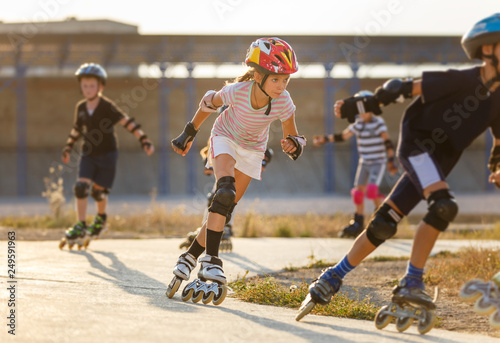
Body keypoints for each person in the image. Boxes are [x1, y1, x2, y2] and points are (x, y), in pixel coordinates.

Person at [297, 13, 500, 333]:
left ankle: (332, 276)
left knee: (384, 222)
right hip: (419, 146)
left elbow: (499, 143)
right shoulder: (464, 80)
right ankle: (412, 281)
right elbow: (400, 88)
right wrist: (359, 106)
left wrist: (497, 166)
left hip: (440, 162)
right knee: (444, 206)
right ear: (487, 49)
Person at [166, 37, 305, 305]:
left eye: (285, 80)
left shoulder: (284, 102)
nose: (281, 86)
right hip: (224, 137)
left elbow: (293, 138)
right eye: (275, 79)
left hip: (253, 150)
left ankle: (190, 256)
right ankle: (211, 261)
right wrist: (189, 132)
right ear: (257, 75)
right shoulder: (238, 91)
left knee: (223, 208)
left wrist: (293, 146)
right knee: (224, 191)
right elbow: (208, 102)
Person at [59, 63, 154, 250]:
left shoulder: (107, 106)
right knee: (80, 187)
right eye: (84, 86)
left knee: (98, 192)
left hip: (108, 155)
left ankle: (101, 220)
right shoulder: (81, 107)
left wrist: (143, 139)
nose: (87, 89)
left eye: (91, 86)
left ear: (100, 87)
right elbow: (77, 129)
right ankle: (81, 224)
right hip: (89, 154)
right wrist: (68, 147)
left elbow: (127, 122)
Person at [313, 90, 398, 239]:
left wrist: (391, 161)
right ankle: (358, 222)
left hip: (377, 162)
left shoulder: (378, 123)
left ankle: (382, 218)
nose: (362, 114)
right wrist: (324, 139)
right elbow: (343, 136)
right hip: (364, 162)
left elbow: (387, 142)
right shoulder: (358, 124)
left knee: (372, 192)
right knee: (358, 193)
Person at [179, 141, 274, 251]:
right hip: (229, 156)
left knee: (226, 195)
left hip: (240, 156)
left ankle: (224, 227)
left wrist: (262, 161)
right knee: (220, 195)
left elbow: (263, 147)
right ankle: (208, 227)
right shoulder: (216, 139)